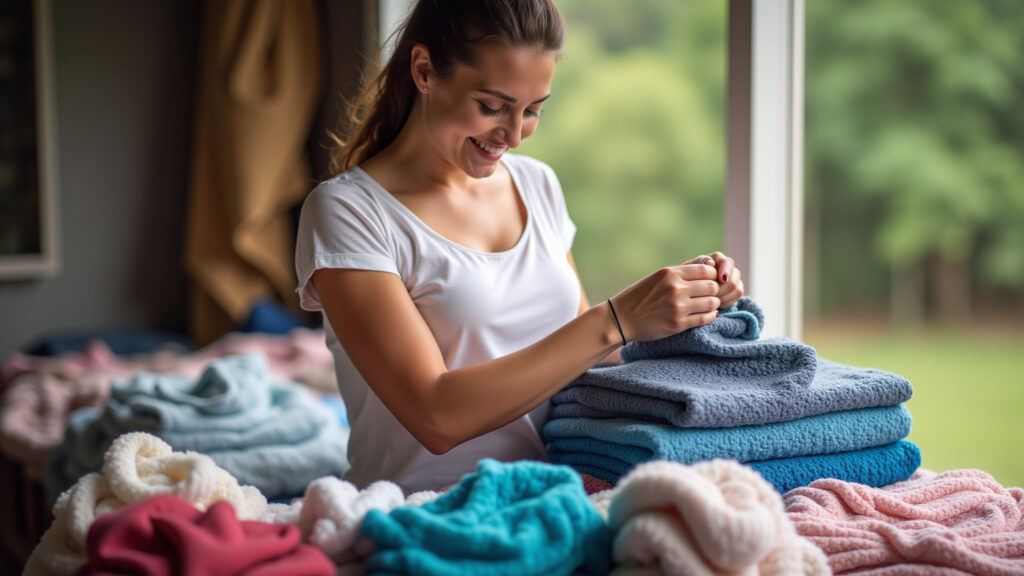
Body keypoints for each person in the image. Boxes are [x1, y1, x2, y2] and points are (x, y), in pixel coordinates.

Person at [294, 0, 744, 494]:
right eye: (492, 107)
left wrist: (687, 303)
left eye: (532, 111)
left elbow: (585, 363)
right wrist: (617, 319)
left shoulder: (537, 185)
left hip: (559, 492)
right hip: (426, 506)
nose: (512, 135)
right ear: (424, 70)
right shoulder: (349, 212)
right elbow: (436, 415)